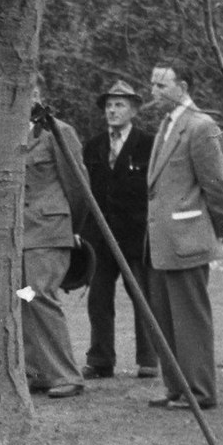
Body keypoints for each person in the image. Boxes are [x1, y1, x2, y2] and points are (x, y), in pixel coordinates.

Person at [145, 62, 223, 409]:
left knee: (190, 320)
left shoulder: (201, 126)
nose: (153, 91)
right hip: (162, 240)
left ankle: (200, 391)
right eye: (152, 84)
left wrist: (212, 228)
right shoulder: (167, 125)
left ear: (182, 87)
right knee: (165, 317)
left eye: (161, 85)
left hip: (187, 239)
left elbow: (217, 186)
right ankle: (177, 388)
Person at [81, 77, 155, 379]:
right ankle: (100, 360)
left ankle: (149, 360)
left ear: (133, 110)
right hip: (100, 239)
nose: (112, 111)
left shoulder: (148, 145)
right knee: (98, 299)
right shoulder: (93, 146)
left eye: (119, 105)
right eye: (109, 105)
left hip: (135, 236)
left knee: (142, 296)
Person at [20, 94, 86, 399]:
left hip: (49, 231)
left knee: (41, 295)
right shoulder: (12, 132)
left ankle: (66, 374)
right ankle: (37, 373)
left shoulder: (57, 131)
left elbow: (77, 184)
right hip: (22, 234)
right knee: (26, 298)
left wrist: (72, 228)